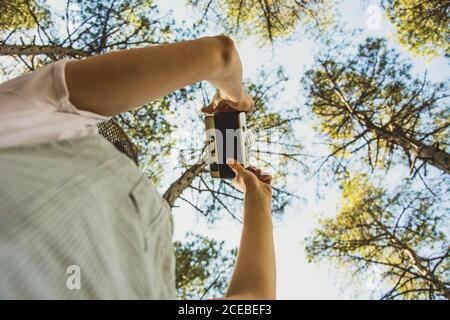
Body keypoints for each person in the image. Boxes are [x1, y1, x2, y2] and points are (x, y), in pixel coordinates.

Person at [0, 35, 275, 299]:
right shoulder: (40, 113)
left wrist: (236, 100)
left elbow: (221, 55)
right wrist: (257, 197)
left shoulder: (38, 114)